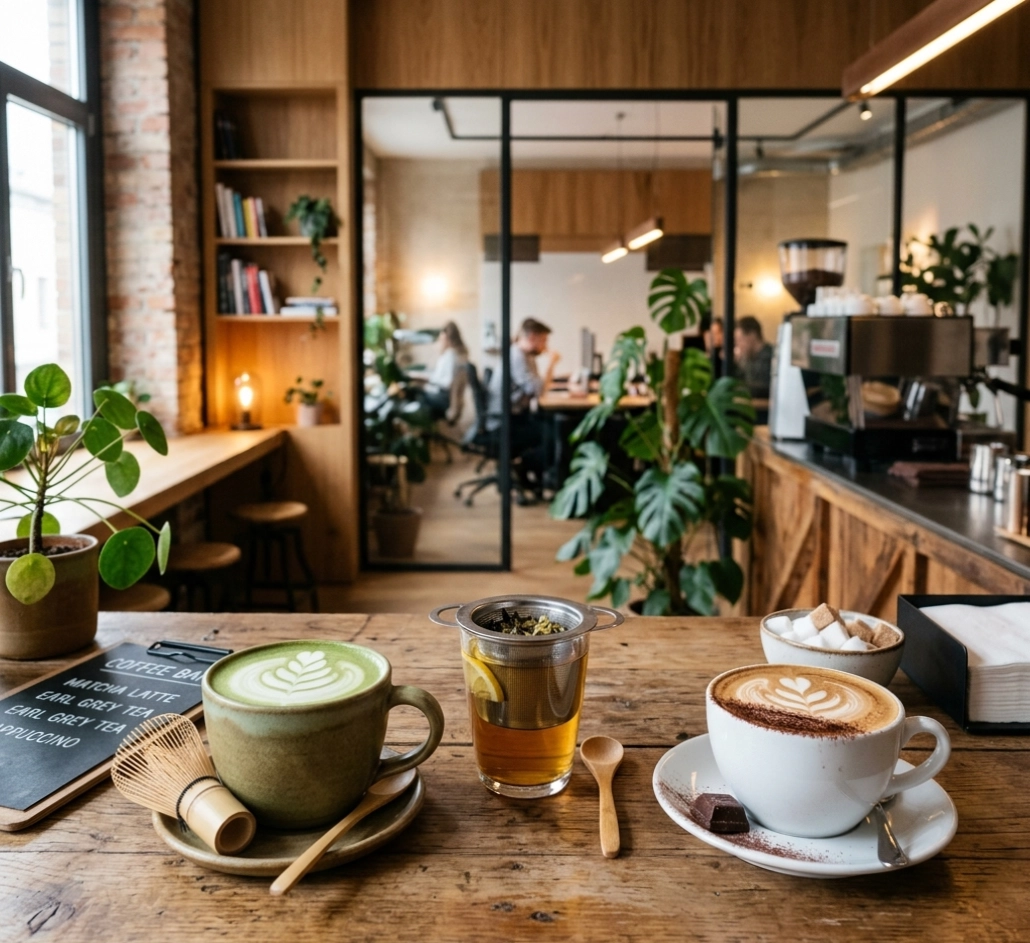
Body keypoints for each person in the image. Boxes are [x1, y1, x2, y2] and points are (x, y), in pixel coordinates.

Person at [487, 317, 560, 496]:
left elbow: (537, 386)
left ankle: (530, 476)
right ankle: (521, 466)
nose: (545, 346)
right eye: (544, 340)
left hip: (516, 416)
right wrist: (552, 363)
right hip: (503, 423)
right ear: (533, 337)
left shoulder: (525, 356)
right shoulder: (517, 356)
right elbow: (538, 389)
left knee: (551, 426)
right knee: (553, 435)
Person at [420, 321, 468, 420]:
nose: (440, 341)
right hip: (443, 396)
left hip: (443, 398)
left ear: (447, 338)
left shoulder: (450, 355)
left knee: (414, 392)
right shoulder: (452, 354)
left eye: (441, 338)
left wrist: (427, 379)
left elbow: (447, 382)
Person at [733, 316, 773, 399]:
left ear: (752, 335)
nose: (738, 345)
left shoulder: (770, 357)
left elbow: (766, 388)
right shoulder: (746, 359)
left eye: (740, 340)